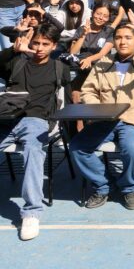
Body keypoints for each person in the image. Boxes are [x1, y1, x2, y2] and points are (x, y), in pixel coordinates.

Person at [69, 12, 134, 210]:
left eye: (128, 37)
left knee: (132, 150)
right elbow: (88, 90)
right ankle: (103, 186)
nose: (122, 42)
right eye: (118, 37)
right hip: (105, 120)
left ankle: (129, 189)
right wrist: (97, 108)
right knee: (77, 146)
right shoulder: (103, 63)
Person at [0, 24, 69, 241]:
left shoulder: (59, 68)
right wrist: (14, 50)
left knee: (32, 150)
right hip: (7, 117)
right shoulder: (17, 62)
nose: (39, 48)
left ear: (54, 46)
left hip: (36, 120)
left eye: (45, 44)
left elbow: (74, 91)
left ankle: (31, 212)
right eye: (36, 43)